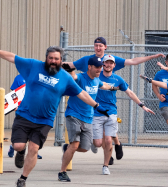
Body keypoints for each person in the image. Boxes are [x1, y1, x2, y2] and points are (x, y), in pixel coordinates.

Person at [0, 46, 109, 187]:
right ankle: (20, 152)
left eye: (56, 59)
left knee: (33, 149)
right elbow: (12, 57)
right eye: (50, 58)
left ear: (61, 60)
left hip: (44, 120)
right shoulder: (33, 65)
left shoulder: (65, 78)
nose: (53, 61)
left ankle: (22, 179)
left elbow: (81, 93)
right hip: (25, 115)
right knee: (18, 145)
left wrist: (96, 106)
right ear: (46, 58)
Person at [63, 36, 164, 162]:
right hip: (91, 106)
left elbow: (133, 62)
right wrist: (51, 65)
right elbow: (70, 67)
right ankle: (105, 147)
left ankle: (113, 150)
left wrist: (152, 57)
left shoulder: (112, 68)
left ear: (106, 47)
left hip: (108, 106)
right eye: (96, 45)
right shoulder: (86, 61)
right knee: (98, 140)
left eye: (101, 45)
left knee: (108, 134)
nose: (98, 48)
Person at [91, 55, 155, 175]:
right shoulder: (96, 76)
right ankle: (94, 141)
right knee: (98, 143)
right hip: (96, 112)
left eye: (111, 63)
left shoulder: (118, 79)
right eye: (106, 63)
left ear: (114, 65)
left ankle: (105, 166)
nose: (108, 65)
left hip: (111, 113)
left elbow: (130, 93)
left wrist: (142, 105)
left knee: (108, 140)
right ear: (102, 64)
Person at [59, 56, 114, 182]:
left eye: (101, 67)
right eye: (97, 67)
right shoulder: (81, 77)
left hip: (88, 118)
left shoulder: (96, 80)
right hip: (74, 115)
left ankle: (67, 149)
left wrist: (113, 87)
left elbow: (103, 85)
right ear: (89, 67)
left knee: (85, 147)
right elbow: (73, 77)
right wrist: (70, 70)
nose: (100, 69)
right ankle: (62, 172)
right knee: (75, 144)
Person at [7, 75, 43, 159]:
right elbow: (14, 94)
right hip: (22, 110)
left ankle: (34, 151)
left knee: (34, 132)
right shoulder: (19, 78)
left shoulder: (37, 77)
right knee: (21, 135)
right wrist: (14, 105)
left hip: (35, 110)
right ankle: (13, 147)